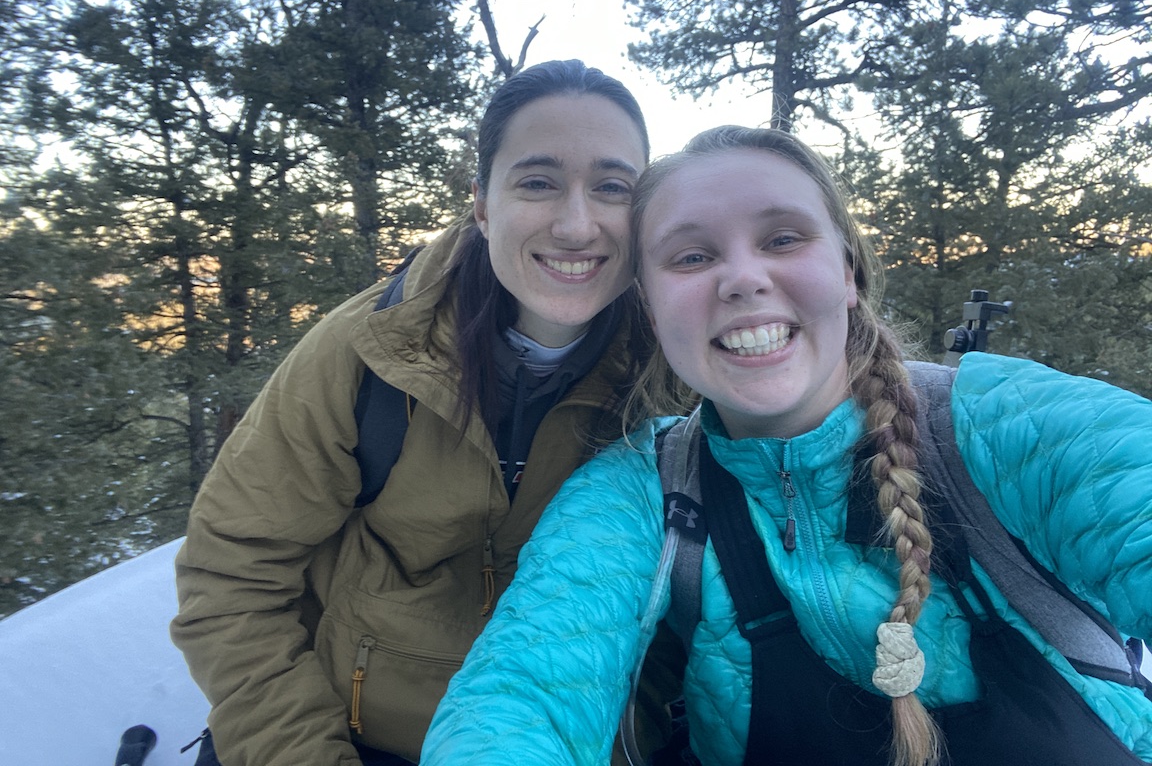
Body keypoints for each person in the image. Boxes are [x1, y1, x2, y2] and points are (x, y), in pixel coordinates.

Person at [419, 125, 1152, 766]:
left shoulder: (1003, 424)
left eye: (782, 239)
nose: (742, 278)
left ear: (848, 270)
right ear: (647, 302)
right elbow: (525, 693)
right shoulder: (641, 495)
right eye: (691, 256)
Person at [171, 59, 658, 766]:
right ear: (483, 204)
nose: (578, 224)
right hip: (360, 740)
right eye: (538, 182)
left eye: (613, 187)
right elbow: (232, 577)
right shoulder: (366, 355)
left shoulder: (672, 375)